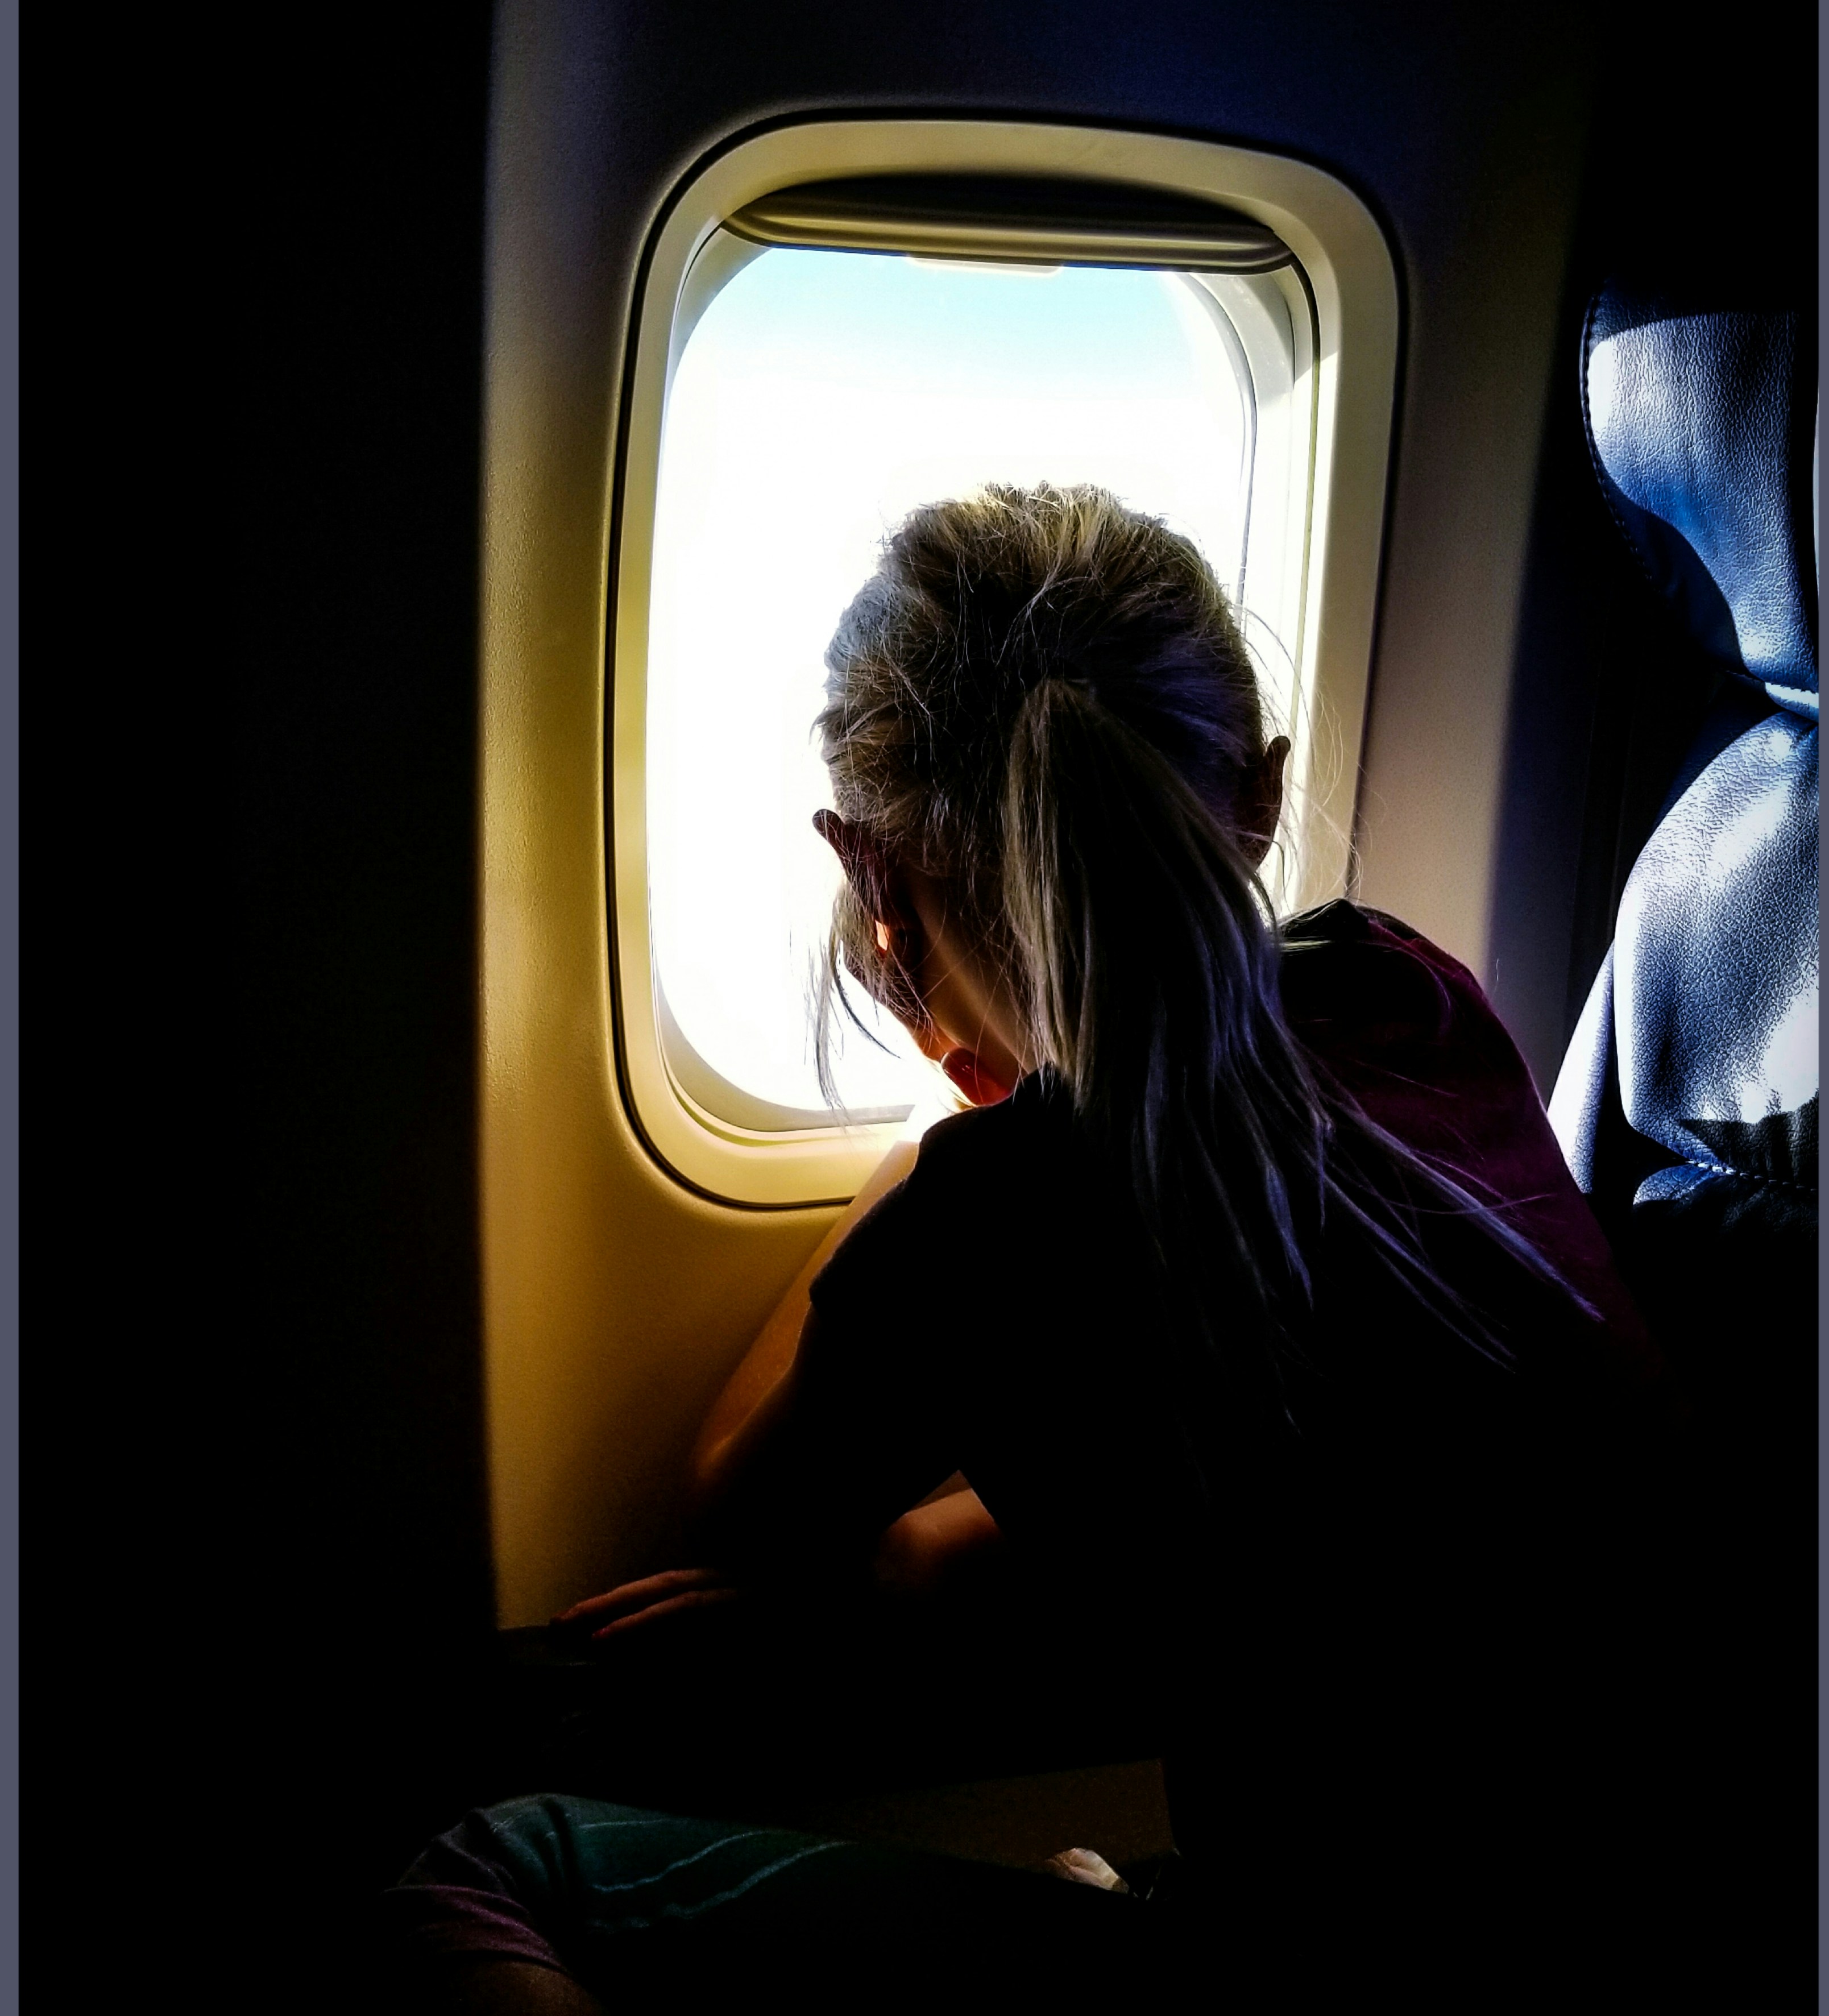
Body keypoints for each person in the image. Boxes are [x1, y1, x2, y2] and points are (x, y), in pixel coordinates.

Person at [381, 486, 1685, 2009]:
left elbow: (730, 1510)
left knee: (488, 1860)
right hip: (1680, 1913)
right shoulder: (1408, 994)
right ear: (1259, 797)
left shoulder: (993, 1216)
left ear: (870, 873)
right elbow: (1087, 1516)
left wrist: (947, 1135)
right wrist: (876, 1580)